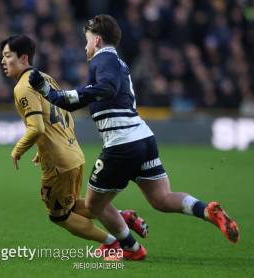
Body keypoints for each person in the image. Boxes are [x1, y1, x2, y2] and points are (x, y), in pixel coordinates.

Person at [28, 15, 240, 261]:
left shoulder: (103, 58)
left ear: (96, 40)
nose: (85, 46)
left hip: (121, 144)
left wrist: (53, 93)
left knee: (95, 206)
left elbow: (105, 89)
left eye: (86, 40)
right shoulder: (118, 62)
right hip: (143, 138)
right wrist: (50, 93)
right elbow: (92, 97)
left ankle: (130, 247)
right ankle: (207, 210)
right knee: (161, 198)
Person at [0, 35, 148, 254]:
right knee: (70, 204)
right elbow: (61, 115)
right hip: (73, 154)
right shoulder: (44, 78)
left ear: (23, 58)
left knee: (59, 215)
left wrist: (17, 150)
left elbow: (37, 128)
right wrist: (45, 148)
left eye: (7, 55)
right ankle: (123, 218)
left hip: (59, 163)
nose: (3, 61)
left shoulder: (22, 87)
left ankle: (114, 244)